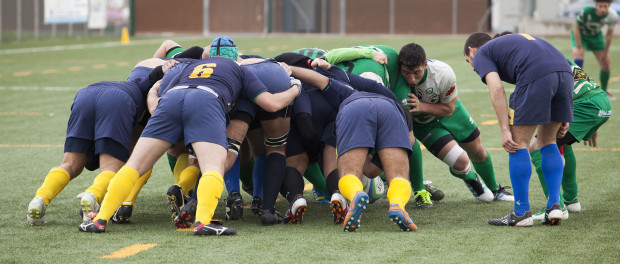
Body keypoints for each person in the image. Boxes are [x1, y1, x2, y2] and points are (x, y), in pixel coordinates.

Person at [78, 36, 302, 236]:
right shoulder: (241, 68)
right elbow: (271, 104)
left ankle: (99, 220)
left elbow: (155, 107)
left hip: (171, 100)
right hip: (206, 102)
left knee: (134, 165)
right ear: (237, 57)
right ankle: (202, 222)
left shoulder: (188, 65)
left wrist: (155, 89)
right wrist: (295, 88)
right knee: (213, 167)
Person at [319, 44, 513, 205]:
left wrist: (422, 106)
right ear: (399, 68)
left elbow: (449, 109)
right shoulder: (390, 77)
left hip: (444, 112)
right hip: (419, 123)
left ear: (425, 65)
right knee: (458, 160)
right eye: (406, 73)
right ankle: (423, 186)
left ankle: (490, 186)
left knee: (475, 151)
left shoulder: (443, 74)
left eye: (417, 73)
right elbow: (408, 138)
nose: (411, 79)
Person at [26, 58, 165, 225]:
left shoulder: (135, 78)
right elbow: (134, 153)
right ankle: (93, 194)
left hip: (86, 94)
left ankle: (39, 199)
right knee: (111, 167)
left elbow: (166, 47)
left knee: (70, 164)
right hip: (118, 100)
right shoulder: (153, 93)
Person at [290, 65, 419, 232]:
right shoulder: (395, 103)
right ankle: (397, 205)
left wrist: (289, 68)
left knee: (349, 173)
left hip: (355, 107)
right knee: (398, 176)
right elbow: (372, 170)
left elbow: (320, 80)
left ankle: (355, 195)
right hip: (392, 112)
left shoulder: (349, 92)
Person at [464, 32, 573, 226]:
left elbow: (497, 89)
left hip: (537, 74)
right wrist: (562, 115)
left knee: (517, 143)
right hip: (565, 74)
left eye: (468, 61)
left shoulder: (481, 54)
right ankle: (555, 206)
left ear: (472, 51)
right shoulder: (514, 43)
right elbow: (554, 65)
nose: (473, 67)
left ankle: (521, 212)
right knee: (548, 142)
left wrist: (505, 130)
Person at [529, 56, 612, 221]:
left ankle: (555, 206)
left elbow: (546, 98)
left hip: (585, 106)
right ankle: (571, 200)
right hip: (601, 101)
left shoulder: (529, 62)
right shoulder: (552, 53)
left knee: (537, 146)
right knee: (563, 144)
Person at [571, 0, 617, 100]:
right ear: (596, 5)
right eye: (600, 6)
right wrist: (578, 47)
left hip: (596, 36)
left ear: (609, 6)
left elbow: (609, 34)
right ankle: (574, 91)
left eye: (605, 6)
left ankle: (604, 91)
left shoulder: (612, 16)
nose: (602, 9)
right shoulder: (586, 11)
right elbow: (576, 27)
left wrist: (605, 52)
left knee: (606, 62)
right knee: (578, 59)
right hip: (581, 35)